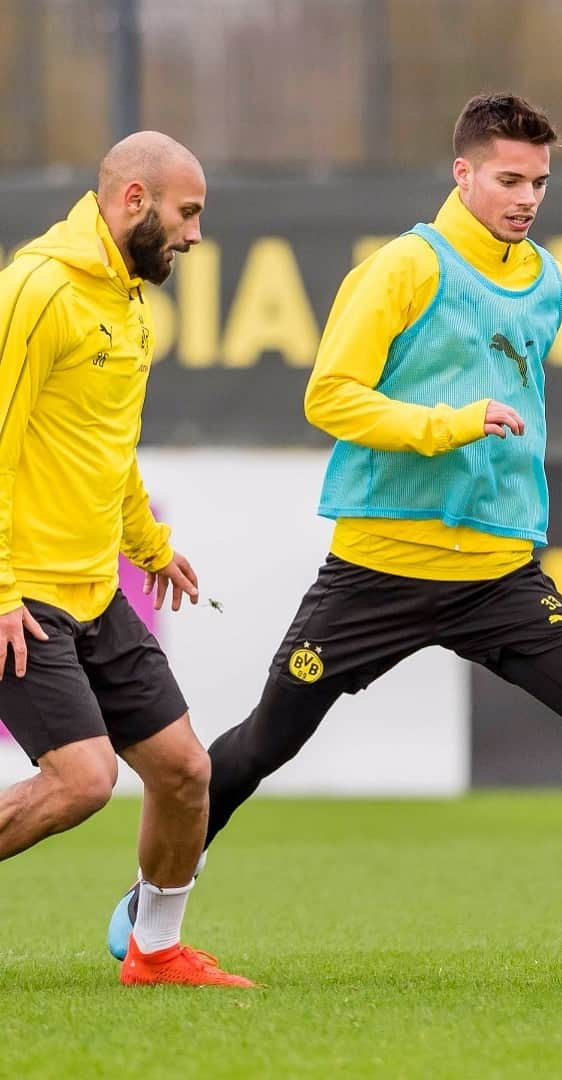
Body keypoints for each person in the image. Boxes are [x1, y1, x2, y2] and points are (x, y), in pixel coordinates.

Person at [108, 93, 562, 959]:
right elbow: (328, 397)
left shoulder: (550, 280)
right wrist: (450, 422)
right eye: (508, 179)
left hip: (499, 576)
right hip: (380, 566)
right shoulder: (403, 268)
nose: (527, 197)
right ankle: (150, 906)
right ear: (462, 174)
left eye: (540, 181)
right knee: (267, 740)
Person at [0, 132, 252, 988]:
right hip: (21, 592)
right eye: (188, 213)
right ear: (135, 200)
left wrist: (150, 546)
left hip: (95, 589)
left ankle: (155, 951)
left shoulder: (131, 301)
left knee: (185, 772)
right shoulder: (36, 289)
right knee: (81, 781)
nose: (194, 234)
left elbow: (106, 447)